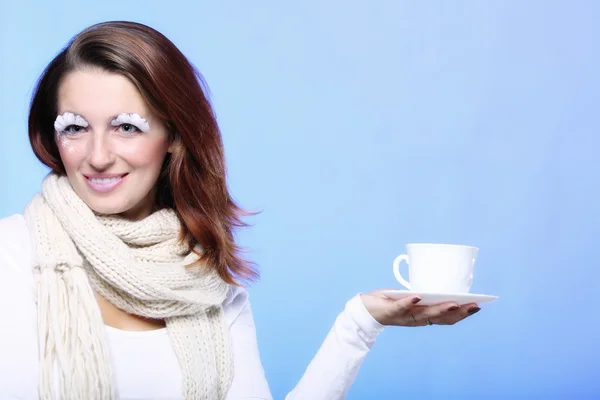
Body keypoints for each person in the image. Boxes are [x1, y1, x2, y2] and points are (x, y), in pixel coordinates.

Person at [0, 21, 481, 400]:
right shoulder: (12, 255)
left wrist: (360, 322)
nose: (98, 155)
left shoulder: (206, 281)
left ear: (174, 136)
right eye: (75, 127)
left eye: (127, 127)